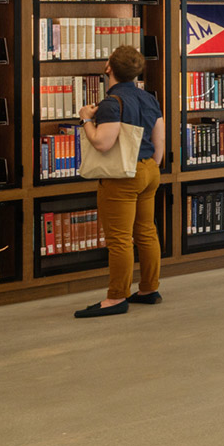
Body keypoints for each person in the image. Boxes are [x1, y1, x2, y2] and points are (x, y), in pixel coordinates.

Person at [74, 44, 165, 318]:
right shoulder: (149, 98)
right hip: (150, 170)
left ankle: (116, 297)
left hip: (122, 176)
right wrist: (150, 165)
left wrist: (85, 120)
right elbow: (158, 139)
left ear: (108, 68)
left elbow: (103, 143)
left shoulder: (112, 103)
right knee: (146, 231)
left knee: (120, 240)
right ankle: (149, 289)